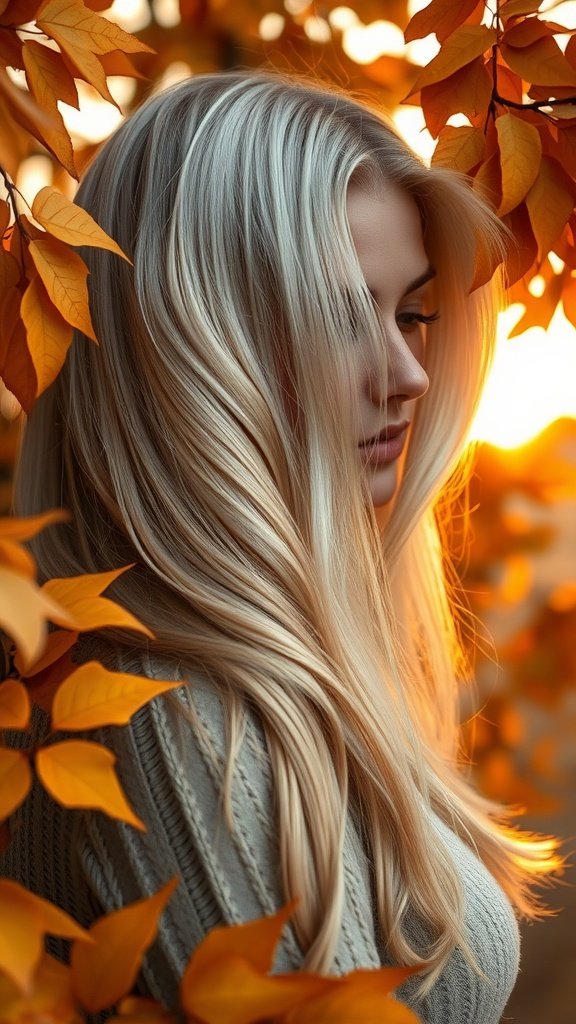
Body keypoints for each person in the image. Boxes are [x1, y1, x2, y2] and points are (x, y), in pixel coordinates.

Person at [3, 70, 559, 1022]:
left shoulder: (249, 691)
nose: (411, 372)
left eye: (411, 313)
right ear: (192, 347)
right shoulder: (168, 726)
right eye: (342, 315)